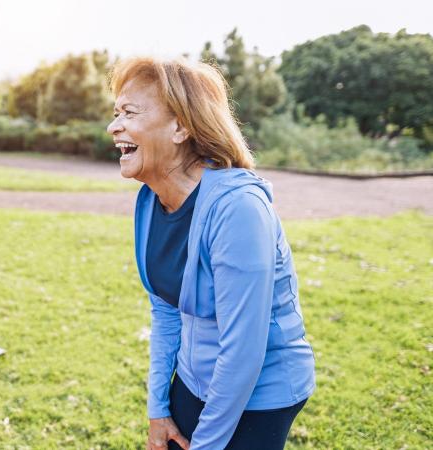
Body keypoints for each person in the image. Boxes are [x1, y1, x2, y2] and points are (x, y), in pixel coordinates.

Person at [107, 57, 315, 450]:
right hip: (194, 375)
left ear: (181, 126)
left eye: (129, 112)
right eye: (116, 112)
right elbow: (165, 310)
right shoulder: (149, 201)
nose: (113, 126)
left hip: (263, 390)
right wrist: (158, 408)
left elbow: (243, 352)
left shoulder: (239, 208)